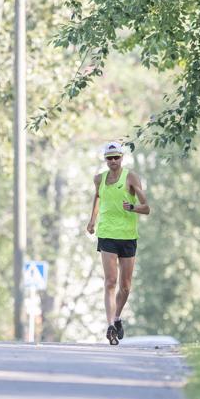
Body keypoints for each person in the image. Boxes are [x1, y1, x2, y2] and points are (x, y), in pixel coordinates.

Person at [85, 141, 150, 345]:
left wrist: (131, 207)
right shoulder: (99, 179)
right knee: (110, 281)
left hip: (128, 236)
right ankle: (110, 325)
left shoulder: (131, 177)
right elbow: (97, 197)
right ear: (105, 159)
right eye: (109, 157)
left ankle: (117, 317)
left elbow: (146, 207)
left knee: (126, 286)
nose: (113, 161)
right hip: (107, 234)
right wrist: (92, 220)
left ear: (122, 157)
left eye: (116, 157)